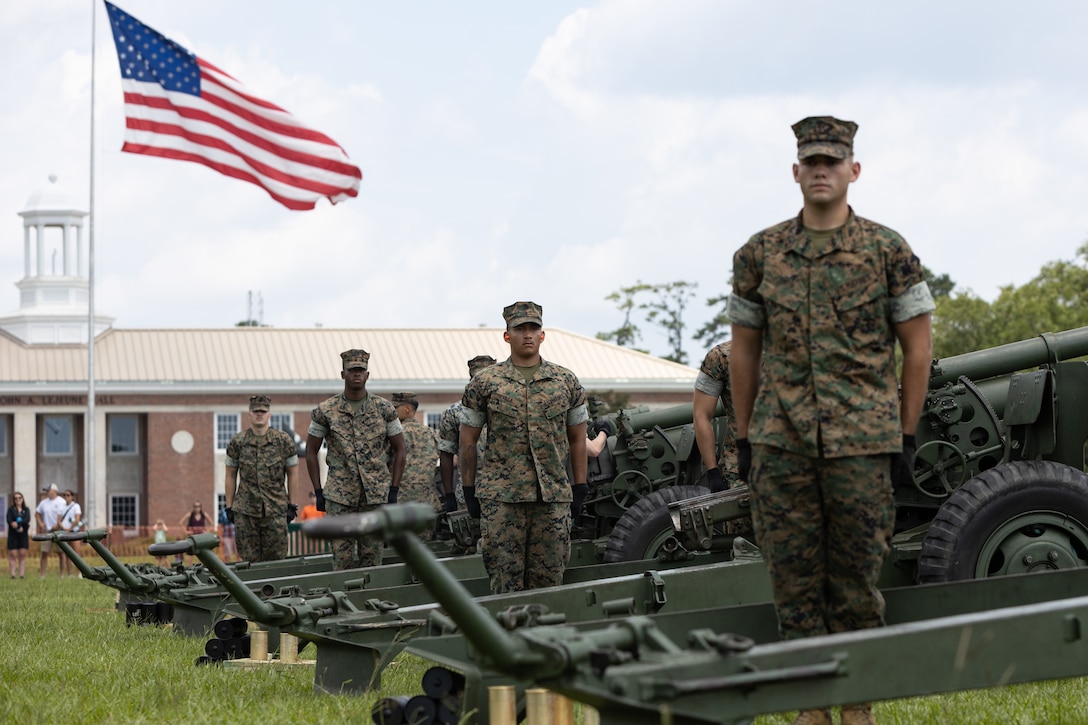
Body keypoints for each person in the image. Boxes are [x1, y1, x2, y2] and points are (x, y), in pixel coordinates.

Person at [727, 116, 934, 725]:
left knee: (855, 582)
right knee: (793, 583)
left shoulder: (887, 250)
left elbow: (917, 348)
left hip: (862, 446)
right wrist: (744, 437)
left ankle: (857, 706)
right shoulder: (759, 253)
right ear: (795, 172)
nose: (821, 171)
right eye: (811, 162)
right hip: (781, 445)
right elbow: (744, 350)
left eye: (832, 161)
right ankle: (810, 708)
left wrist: (905, 434)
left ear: (853, 171)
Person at [459, 301, 588, 594]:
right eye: (520, 329)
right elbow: (467, 442)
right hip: (501, 501)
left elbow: (578, 438)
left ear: (542, 335)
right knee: (505, 585)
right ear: (507, 336)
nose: (527, 334)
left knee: (550, 585)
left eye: (533, 328)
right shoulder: (485, 383)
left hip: (552, 499)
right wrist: (469, 490)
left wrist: (580, 486)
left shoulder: (565, 382)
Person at [306, 349, 406, 570]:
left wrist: (394, 489)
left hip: (375, 496)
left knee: (373, 558)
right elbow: (310, 451)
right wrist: (319, 491)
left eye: (361, 370)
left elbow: (400, 449)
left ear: (367, 375)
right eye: (352, 371)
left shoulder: (384, 409)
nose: (357, 375)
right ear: (343, 374)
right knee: (341, 559)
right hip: (340, 497)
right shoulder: (326, 411)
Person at [224, 394, 299, 563]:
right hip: (246, 513)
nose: (259, 414)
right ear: (249, 414)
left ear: (269, 415)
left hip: (276, 511)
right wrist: (229, 507)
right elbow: (230, 475)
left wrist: (292, 505)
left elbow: (293, 473)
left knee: (276, 560)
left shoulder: (283, 441)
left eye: (263, 411)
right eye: (256, 411)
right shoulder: (238, 442)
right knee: (248, 561)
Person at [437, 355, 496, 514]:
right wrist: (449, 495)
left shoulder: (510, 410)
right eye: (477, 378)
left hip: (505, 493)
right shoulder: (455, 413)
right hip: (468, 494)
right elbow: (446, 455)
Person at [390, 392, 441, 525]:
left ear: (407, 409)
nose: (392, 412)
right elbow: (451, 460)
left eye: (395, 408)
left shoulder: (395, 434)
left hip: (400, 503)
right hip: (427, 504)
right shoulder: (431, 433)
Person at [34, 484, 67, 577]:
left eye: (48, 490)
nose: (47, 492)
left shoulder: (62, 502)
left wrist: (58, 525)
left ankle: (62, 574)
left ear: (54, 491)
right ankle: (43, 575)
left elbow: (65, 515)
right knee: (44, 552)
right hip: (47, 531)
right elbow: (37, 514)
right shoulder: (43, 502)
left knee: (61, 552)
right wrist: (40, 523)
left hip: (59, 530)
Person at [57, 490, 82, 577]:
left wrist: (70, 528)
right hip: (65, 531)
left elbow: (77, 519)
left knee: (77, 552)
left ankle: (79, 572)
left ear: (72, 496)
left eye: (68, 495)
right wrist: (63, 528)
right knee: (68, 553)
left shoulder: (76, 506)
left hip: (74, 531)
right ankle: (70, 573)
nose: (66, 497)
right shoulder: (61, 507)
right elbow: (59, 520)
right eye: (64, 495)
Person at [6, 491, 31, 578]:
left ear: (22, 499)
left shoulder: (26, 510)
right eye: (15, 498)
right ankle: (12, 574)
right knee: (13, 554)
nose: (18, 500)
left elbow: (27, 519)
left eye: (19, 498)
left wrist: (18, 524)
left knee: (22, 554)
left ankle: (21, 574)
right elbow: (9, 520)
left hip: (23, 535)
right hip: (13, 535)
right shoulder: (11, 510)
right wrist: (14, 524)